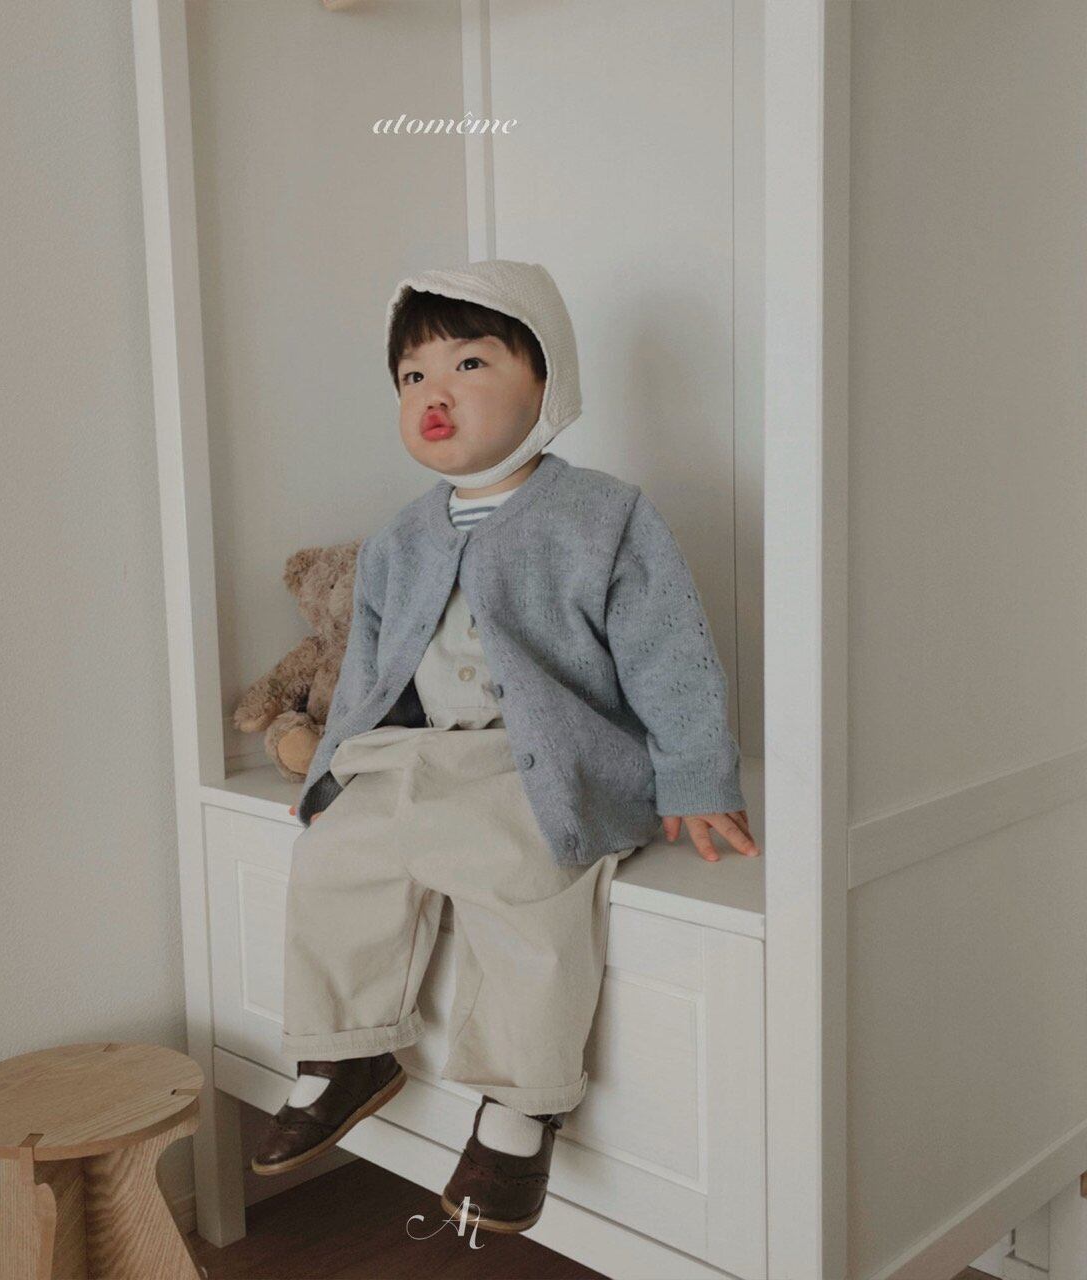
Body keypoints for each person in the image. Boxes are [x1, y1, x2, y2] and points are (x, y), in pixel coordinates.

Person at [250, 259, 759, 1234]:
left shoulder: (603, 515)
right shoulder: (399, 537)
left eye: (468, 363)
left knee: (524, 880)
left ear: (545, 382)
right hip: (417, 752)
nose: (432, 392)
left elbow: (670, 654)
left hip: (548, 761)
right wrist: (329, 775)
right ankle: (346, 1049)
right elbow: (365, 673)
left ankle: (519, 1103)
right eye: (412, 376)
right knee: (334, 858)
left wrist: (696, 775)